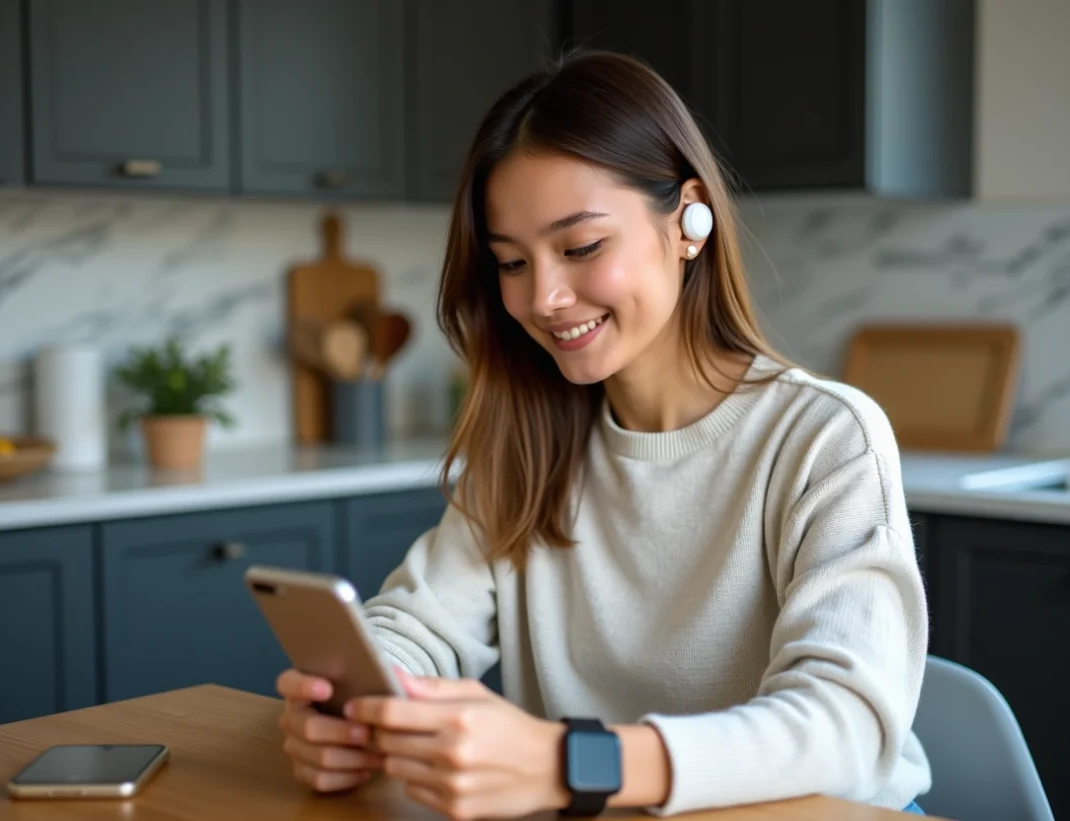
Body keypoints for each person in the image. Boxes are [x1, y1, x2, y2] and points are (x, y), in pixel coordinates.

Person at [276, 50, 931, 819]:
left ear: (689, 219)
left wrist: (573, 763)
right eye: (511, 262)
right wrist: (353, 704)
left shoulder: (824, 437)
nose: (543, 297)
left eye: (581, 247)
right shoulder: (526, 443)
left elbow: (845, 730)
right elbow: (415, 625)